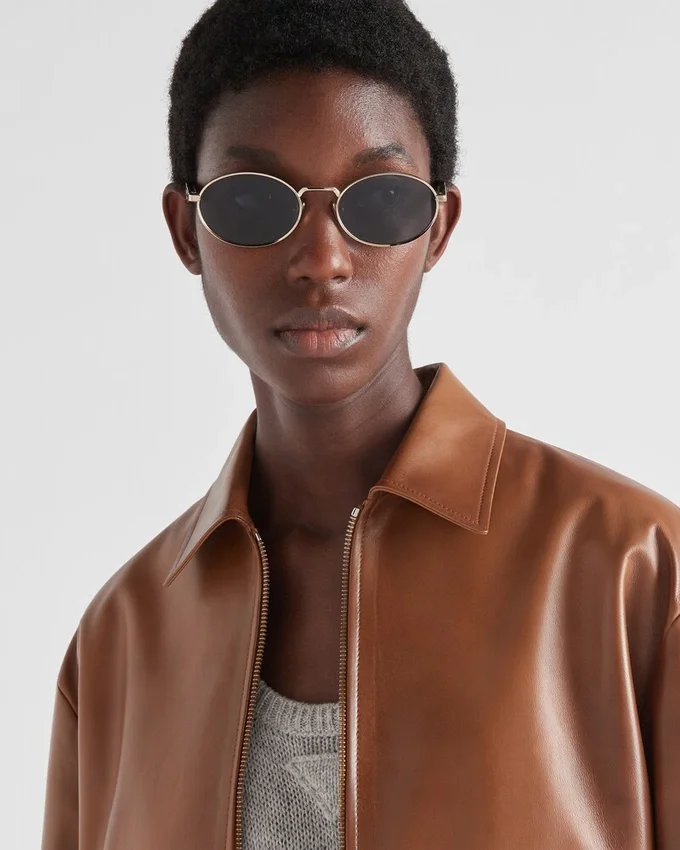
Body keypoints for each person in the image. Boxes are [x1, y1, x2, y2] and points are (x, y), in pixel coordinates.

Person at [40, 0, 680, 848]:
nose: (322, 260)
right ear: (185, 230)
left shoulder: (638, 572)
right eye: (252, 202)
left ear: (438, 228)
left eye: (378, 201)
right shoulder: (117, 645)